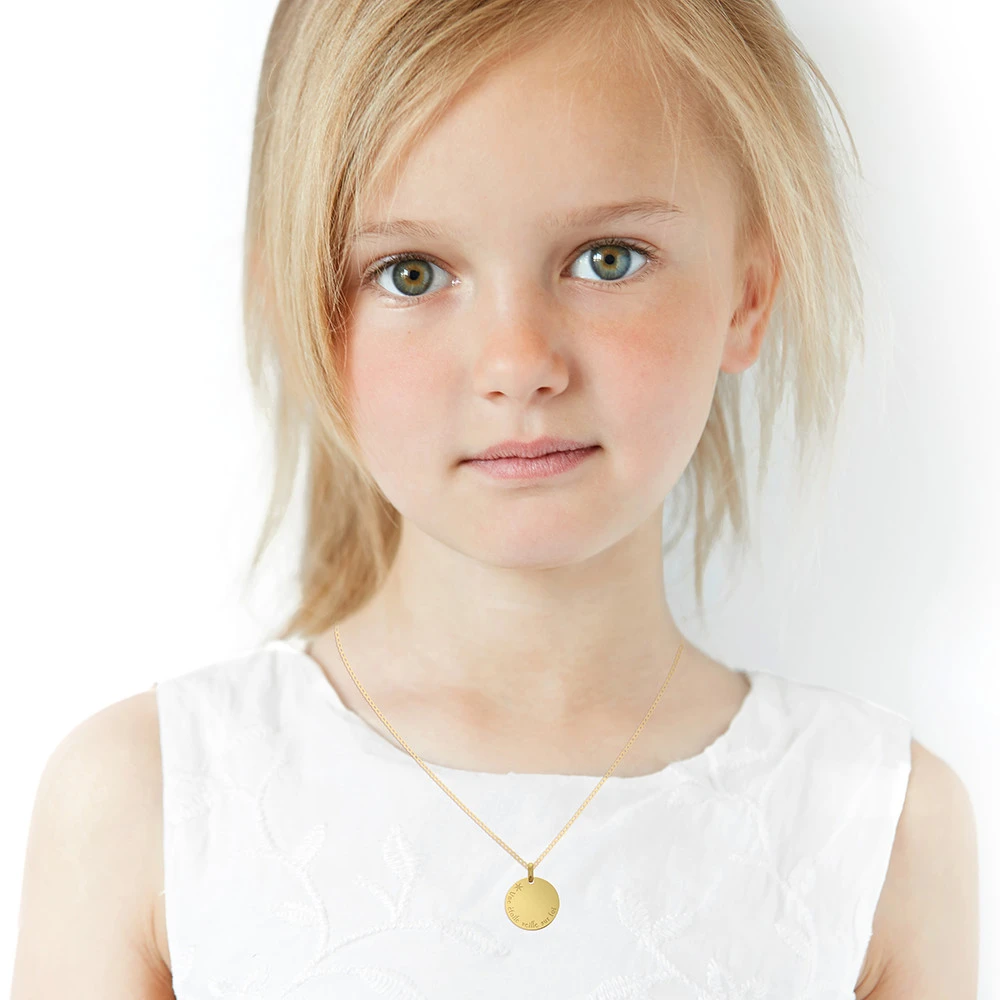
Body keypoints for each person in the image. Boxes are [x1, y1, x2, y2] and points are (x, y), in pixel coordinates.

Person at [12, 0, 979, 997]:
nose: (519, 364)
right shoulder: (143, 806)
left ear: (747, 293)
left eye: (607, 259)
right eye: (411, 273)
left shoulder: (883, 826)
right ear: (299, 315)